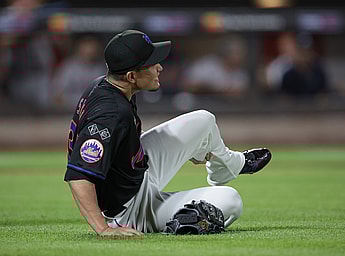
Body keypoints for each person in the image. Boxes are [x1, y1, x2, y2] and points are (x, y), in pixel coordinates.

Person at [64, 30, 272, 237]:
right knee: (231, 200)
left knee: (204, 120)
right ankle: (180, 220)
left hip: (136, 173)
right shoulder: (110, 113)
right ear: (131, 76)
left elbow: (121, 138)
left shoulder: (109, 86)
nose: (160, 67)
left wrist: (192, 147)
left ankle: (227, 166)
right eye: (152, 64)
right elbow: (79, 175)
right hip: (128, 209)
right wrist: (103, 229)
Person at [181, 35, 249, 96]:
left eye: (241, 53)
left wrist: (216, 89)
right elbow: (187, 85)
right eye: (236, 53)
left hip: (226, 107)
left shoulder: (240, 72)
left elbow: (237, 94)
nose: (241, 57)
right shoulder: (206, 65)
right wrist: (210, 88)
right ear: (226, 52)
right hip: (200, 104)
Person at [52, 35, 105, 109]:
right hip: (69, 111)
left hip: (92, 111)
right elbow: (57, 96)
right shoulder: (68, 67)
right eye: (86, 47)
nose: (90, 51)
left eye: (93, 48)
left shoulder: (100, 68)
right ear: (79, 49)